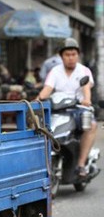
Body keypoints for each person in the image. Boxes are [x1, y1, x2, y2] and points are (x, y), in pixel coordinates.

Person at [36, 38, 96, 178]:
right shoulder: (55, 71)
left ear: (78, 55)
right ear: (61, 56)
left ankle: (81, 165)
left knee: (91, 125)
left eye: (73, 54)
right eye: (67, 55)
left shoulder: (84, 71)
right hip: (59, 108)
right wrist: (36, 101)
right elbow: (47, 89)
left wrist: (87, 100)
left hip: (78, 109)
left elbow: (86, 88)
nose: (71, 58)